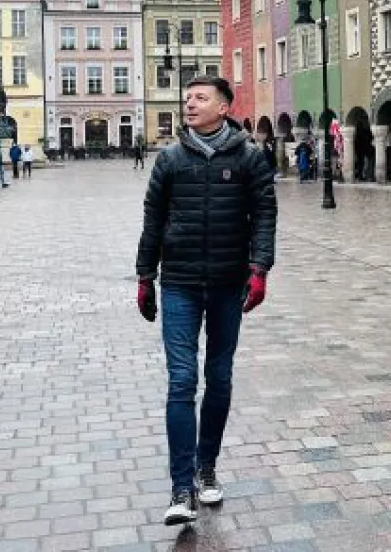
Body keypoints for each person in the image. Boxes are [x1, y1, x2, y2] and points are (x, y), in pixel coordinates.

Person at [136, 76, 276, 526]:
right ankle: (181, 489)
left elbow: (265, 215)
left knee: (218, 377)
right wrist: (145, 276)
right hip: (178, 282)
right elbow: (153, 219)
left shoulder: (251, 158)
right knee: (181, 380)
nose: (190, 104)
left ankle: (206, 466)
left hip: (227, 283)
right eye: (188, 98)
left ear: (224, 106)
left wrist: (259, 270)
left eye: (200, 98)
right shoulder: (170, 159)